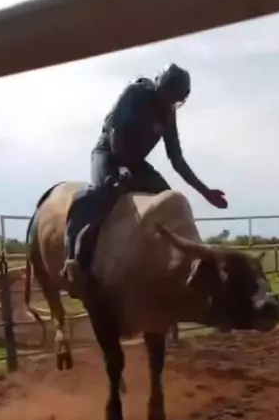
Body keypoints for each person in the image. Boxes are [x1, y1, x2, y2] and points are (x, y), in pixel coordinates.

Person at [62, 63, 228, 285]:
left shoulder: (168, 113)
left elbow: (176, 159)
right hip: (109, 153)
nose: (171, 102)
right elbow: (114, 130)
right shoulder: (136, 93)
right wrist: (120, 166)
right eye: (170, 95)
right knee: (102, 192)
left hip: (135, 162)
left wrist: (206, 192)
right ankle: (73, 259)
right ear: (161, 86)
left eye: (176, 99)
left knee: (167, 199)